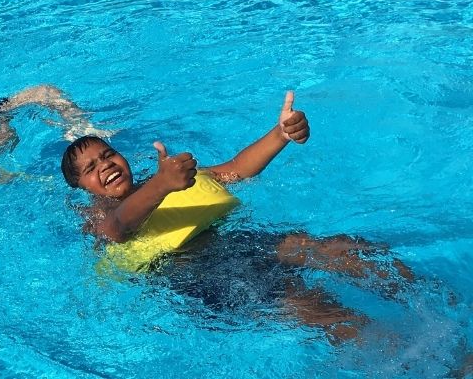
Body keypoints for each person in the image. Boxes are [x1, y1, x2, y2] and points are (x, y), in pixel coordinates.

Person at [60, 91, 414, 342]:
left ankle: (441, 309)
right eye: (90, 168)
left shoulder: (171, 178)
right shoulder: (95, 216)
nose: (104, 164)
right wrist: (161, 186)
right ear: (81, 187)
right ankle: (416, 361)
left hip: (239, 244)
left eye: (108, 154)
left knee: (347, 249)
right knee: (320, 310)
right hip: (201, 278)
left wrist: (281, 134)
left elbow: (238, 169)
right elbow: (118, 227)